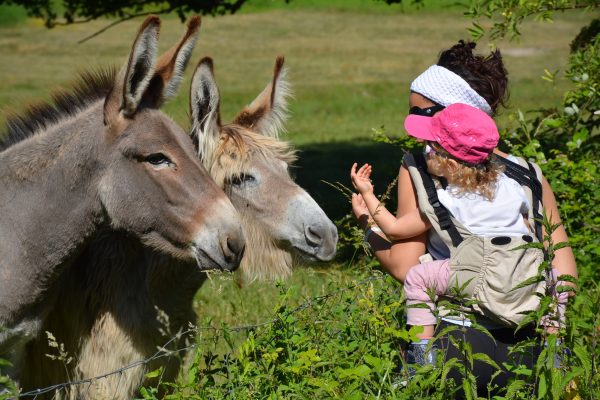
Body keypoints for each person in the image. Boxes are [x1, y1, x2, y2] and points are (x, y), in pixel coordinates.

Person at [350, 40, 577, 393]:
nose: (411, 122)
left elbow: (405, 268)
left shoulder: (419, 170)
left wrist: (367, 225)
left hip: (458, 346)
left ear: (453, 112)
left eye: (420, 112)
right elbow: (564, 271)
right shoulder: (529, 173)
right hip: (535, 351)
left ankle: (419, 361)